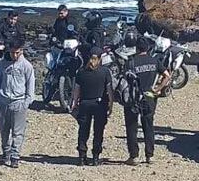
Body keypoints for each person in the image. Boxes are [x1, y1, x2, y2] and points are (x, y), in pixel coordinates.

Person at [123, 37, 171, 166]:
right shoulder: (154, 61)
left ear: (136, 48)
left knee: (132, 126)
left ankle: (134, 156)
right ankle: (149, 155)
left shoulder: (131, 62)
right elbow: (167, 75)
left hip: (134, 98)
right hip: (150, 96)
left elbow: (125, 80)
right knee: (148, 126)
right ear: (148, 48)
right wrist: (158, 88)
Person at [0, 41, 35, 168]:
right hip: (3, 101)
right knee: (4, 130)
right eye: (12, 52)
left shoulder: (26, 66)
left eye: (17, 52)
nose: (15, 55)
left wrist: (27, 102)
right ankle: (6, 154)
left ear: (21, 51)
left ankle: (15, 156)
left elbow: (30, 85)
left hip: (19, 102)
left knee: (18, 132)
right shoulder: (2, 64)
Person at [71, 46, 114, 166]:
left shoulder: (81, 72)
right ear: (100, 59)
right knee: (98, 131)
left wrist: (74, 104)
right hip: (99, 104)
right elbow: (109, 90)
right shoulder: (105, 72)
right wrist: (111, 104)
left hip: (84, 103)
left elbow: (76, 90)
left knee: (83, 130)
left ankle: (82, 156)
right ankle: (95, 156)